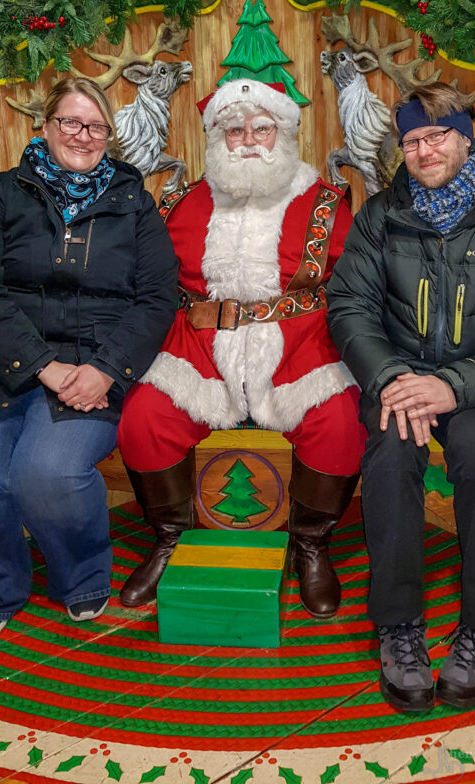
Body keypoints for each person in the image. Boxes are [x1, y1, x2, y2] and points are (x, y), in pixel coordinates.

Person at [325, 83, 475, 711]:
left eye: (437, 135)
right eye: (411, 140)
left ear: (465, 137)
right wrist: (388, 379)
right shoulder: (382, 217)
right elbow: (350, 306)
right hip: (400, 380)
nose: (423, 149)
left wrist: (455, 385)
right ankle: (399, 626)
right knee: (389, 446)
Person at [0, 77, 178, 642]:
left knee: (47, 472)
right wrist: (41, 364)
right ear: (45, 126)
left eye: (95, 126)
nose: (82, 135)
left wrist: (108, 369)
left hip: (92, 364)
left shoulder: (136, 207)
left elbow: (157, 298)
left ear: (109, 136)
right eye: (70, 122)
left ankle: (80, 575)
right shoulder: (1, 193)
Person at [117, 78, 365, 618]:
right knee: (143, 419)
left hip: (301, 343)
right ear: (216, 138)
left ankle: (311, 546)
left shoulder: (326, 202)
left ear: (284, 132)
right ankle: (170, 539)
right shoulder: (180, 203)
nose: (248, 139)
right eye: (234, 130)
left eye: (261, 127)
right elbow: (152, 283)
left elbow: (355, 289)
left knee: (340, 420)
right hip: (199, 343)